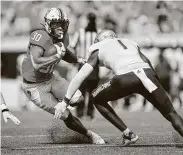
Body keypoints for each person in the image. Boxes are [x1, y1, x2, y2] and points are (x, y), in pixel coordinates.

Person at [55, 29, 183, 146]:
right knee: (171, 113)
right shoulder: (130, 42)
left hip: (125, 77)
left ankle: (128, 134)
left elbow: (80, 76)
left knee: (96, 97)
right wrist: (156, 87)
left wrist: (65, 101)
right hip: (148, 75)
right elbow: (148, 64)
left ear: (99, 40)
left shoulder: (98, 47)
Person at [21, 8, 105, 144]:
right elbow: (36, 63)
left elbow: (64, 52)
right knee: (66, 115)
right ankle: (90, 135)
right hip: (34, 86)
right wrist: (56, 56)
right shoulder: (39, 36)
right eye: (56, 24)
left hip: (50, 78)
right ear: (48, 24)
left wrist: (78, 59)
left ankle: (61, 104)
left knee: (78, 98)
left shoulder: (64, 37)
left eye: (62, 24)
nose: (60, 28)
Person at [69, 11, 100, 119]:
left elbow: (72, 47)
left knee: (86, 90)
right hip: (92, 65)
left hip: (87, 64)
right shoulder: (98, 33)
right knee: (89, 91)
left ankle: (83, 113)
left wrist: (74, 61)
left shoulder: (82, 32)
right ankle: (87, 113)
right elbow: (72, 47)